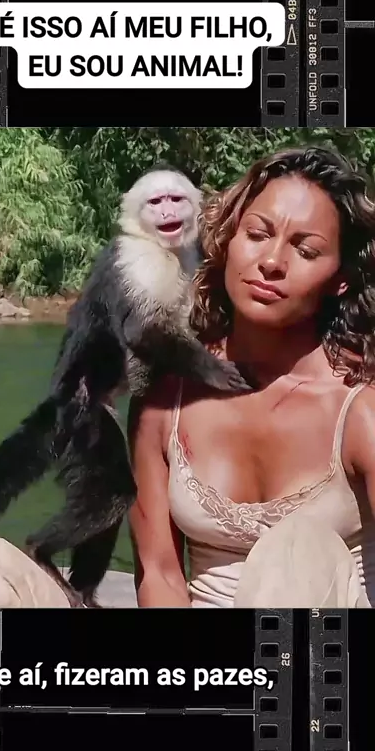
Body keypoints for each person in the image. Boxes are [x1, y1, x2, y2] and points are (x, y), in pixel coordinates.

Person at [127, 145, 375, 608]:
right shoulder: (165, 400)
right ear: (229, 239)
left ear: (340, 278)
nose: (272, 262)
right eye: (258, 234)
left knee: (296, 547)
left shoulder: (361, 410)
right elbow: (159, 572)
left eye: (306, 250)